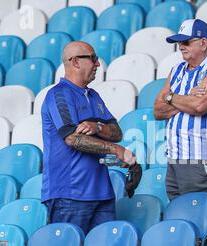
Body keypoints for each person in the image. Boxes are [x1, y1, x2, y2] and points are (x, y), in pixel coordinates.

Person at [41, 41, 137, 234]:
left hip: (102, 193)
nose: (98, 64)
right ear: (76, 62)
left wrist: (97, 126)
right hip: (70, 193)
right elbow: (72, 138)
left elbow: (116, 132)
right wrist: (115, 150)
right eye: (93, 58)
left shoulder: (93, 95)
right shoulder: (59, 94)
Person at [154, 19, 207, 205]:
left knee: (204, 214)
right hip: (176, 157)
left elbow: (199, 106)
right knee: (181, 214)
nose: (181, 46)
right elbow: (158, 110)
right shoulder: (177, 69)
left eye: (186, 42)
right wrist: (185, 98)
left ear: (204, 43)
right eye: (179, 42)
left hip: (205, 156)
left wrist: (171, 97)